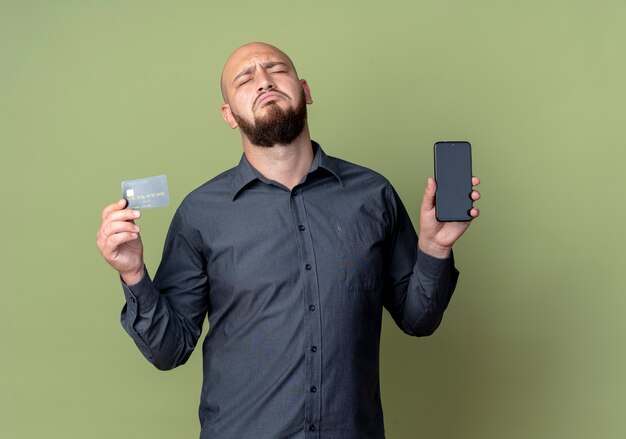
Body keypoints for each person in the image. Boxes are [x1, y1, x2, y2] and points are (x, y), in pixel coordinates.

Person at [96, 42, 481, 439]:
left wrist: (435, 248)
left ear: (306, 90)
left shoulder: (372, 195)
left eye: (276, 70)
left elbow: (418, 320)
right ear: (229, 115)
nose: (263, 81)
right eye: (245, 78)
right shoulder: (200, 214)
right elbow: (169, 350)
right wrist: (133, 274)